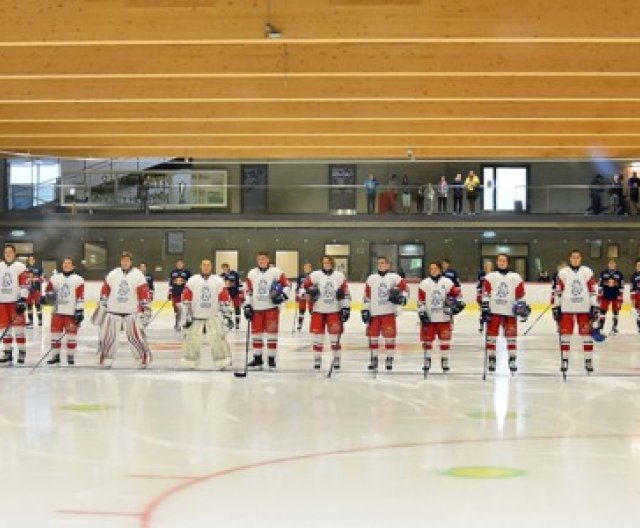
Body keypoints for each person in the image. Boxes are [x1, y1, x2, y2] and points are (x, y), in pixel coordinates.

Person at [97, 251, 152, 368]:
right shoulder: (113, 274)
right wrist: (103, 304)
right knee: (108, 337)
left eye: (127, 260)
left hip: (131, 312)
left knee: (134, 337)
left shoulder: (138, 275)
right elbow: (105, 290)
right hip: (113, 311)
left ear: (131, 262)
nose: (125, 262)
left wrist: (146, 310)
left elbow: (144, 294)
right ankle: (106, 358)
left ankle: (142, 358)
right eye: (123, 260)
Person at [552, 249, 600, 373]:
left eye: (577, 257)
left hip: (584, 308)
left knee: (586, 336)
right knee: (566, 335)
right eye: (573, 257)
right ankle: (565, 360)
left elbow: (593, 290)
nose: (575, 259)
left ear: (581, 258)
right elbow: (558, 291)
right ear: (570, 258)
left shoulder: (587, 272)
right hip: (567, 308)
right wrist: (556, 306)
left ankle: (588, 361)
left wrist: (594, 305)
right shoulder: (563, 273)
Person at [181, 258, 233, 370]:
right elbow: (186, 299)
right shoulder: (193, 280)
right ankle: (190, 361)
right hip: (195, 317)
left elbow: (224, 299)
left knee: (218, 338)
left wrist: (227, 316)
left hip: (212, 316)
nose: (206, 267)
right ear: (201, 266)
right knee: (191, 339)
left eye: (208, 265)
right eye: (204, 265)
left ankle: (222, 361)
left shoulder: (218, 281)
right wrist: (187, 315)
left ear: (211, 267)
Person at [481, 253, 530, 373]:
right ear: (497, 262)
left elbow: (520, 294)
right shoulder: (490, 277)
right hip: (494, 311)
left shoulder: (516, 277)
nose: (501, 262)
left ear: (508, 262)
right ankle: (492, 358)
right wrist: (485, 306)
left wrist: (522, 306)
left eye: (504, 260)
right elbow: (485, 293)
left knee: (511, 337)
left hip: (510, 312)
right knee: (491, 337)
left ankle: (512, 359)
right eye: (499, 260)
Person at [243, 252, 290, 369]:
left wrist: (283, 295)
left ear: (268, 260)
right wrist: (248, 305)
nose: (261, 260)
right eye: (259, 259)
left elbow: (287, 285)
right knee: (256, 335)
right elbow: (248, 290)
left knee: (271, 335)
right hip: (256, 308)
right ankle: (257, 359)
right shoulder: (251, 273)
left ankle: (271, 360)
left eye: (263, 258)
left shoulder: (276, 272)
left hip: (271, 308)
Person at [302, 256, 350, 370]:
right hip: (318, 310)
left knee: (335, 337)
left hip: (334, 310)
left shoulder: (339, 276)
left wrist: (346, 307)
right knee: (318, 337)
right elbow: (303, 289)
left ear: (332, 263)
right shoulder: (315, 275)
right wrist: (307, 294)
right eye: (324, 263)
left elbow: (346, 292)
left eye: (328, 262)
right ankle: (317, 359)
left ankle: (336, 359)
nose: (326, 264)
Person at [362, 256, 409, 371]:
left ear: (388, 265)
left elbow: (406, 289)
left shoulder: (395, 277)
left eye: (383, 263)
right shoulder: (371, 278)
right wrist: (366, 309)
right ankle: (374, 359)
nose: (380, 265)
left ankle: (389, 358)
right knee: (373, 337)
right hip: (374, 313)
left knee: (390, 337)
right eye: (379, 263)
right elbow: (367, 296)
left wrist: (402, 299)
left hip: (388, 312)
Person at [417, 261, 463, 373]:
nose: (433, 270)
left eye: (435, 268)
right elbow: (420, 301)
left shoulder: (447, 282)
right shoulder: (424, 283)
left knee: (445, 341)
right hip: (430, 318)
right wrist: (422, 312)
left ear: (440, 269)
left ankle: (445, 359)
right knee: (427, 341)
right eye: (431, 268)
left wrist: (458, 304)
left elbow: (457, 295)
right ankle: (427, 359)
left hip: (444, 318)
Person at [44, 257, 84, 366]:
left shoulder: (78, 279)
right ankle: (55, 356)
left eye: (69, 263)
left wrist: (80, 310)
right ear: (62, 265)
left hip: (71, 312)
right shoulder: (55, 278)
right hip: (57, 312)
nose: (66, 265)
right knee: (55, 335)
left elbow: (80, 296)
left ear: (73, 266)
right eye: (64, 263)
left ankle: (70, 356)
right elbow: (48, 291)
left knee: (72, 336)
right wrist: (48, 296)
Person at [0, 245, 29, 365]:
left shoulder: (20, 267)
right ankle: (7, 352)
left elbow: (25, 284)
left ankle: (22, 352)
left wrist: (23, 299)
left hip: (15, 302)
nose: (8, 254)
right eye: (6, 252)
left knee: (18, 329)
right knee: (4, 329)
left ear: (14, 254)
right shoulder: (0, 266)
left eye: (10, 252)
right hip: (2, 302)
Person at [597, 259, 624, 334]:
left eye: (613, 263)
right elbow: (600, 285)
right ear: (608, 264)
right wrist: (599, 295)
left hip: (616, 295)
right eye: (610, 263)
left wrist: (621, 296)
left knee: (615, 312)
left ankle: (614, 327)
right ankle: (601, 326)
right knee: (602, 311)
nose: (612, 265)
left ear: (615, 265)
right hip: (605, 295)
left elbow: (621, 285)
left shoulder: (619, 274)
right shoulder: (603, 273)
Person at [168, 259, 192, 331]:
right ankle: (177, 323)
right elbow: (170, 283)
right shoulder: (173, 272)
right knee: (176, 309)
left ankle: (185, 323)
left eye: (181, 264)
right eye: (178, 264)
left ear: (183, 264)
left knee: (185, 309)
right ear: (176, 264)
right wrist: (169, 292)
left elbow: (191, 283)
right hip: (175, 293)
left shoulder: (187, 272)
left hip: (184, 294)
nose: (179, 265)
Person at [221, 262, 243, 330]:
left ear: (228, 267)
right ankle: (229, 322)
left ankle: (237, 323)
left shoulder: (234, 273)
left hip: (235, 293)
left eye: (225, 267)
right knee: (227, 309)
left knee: (237, 309)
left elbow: (239, 283)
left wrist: (241, 293)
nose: (224, 269)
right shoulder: (222, 275)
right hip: (227, 295)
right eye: (223, 268)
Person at [25, 254, 44, 328]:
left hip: (36, 290)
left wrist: (35, 279)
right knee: (29, 306)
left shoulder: (39, 268)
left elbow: (42, 279)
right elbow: (23, 279)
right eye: (29, 259)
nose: (31, 260)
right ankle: (30, 321)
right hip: (28, 290)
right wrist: (27, 280)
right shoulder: (25, 268)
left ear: (34, 260)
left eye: (32, 259)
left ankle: (40, 320)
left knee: (38, 306)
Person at [295, 262, 313, 331]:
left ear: (310, 268)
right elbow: (298, 286)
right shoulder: (300, 276)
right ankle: (300, 324)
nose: (306, 269)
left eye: (308, 268)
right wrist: (297, 293)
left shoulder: (313, 276)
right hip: (302, 294)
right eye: (305, 268)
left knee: (311, 310)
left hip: (310, 294)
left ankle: (313, 324)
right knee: (301, 310)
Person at [476, 260, 493, 332]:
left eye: (490, 265)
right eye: (487, 265)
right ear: (485, 266)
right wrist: (478, 293)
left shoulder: (494, 274)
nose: (488, 267)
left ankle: (490, 326)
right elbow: (478, 284)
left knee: (490, 312)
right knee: (483, 311)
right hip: (483, 294)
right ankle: (481, 325)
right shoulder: (481, 274)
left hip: (491, 295)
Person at [630, 259, 640, 333]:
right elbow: (632, 289)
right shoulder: (633, 276)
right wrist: (633, 301)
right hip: (637, 295)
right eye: (638, 265)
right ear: (636, 266)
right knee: (638, 313)